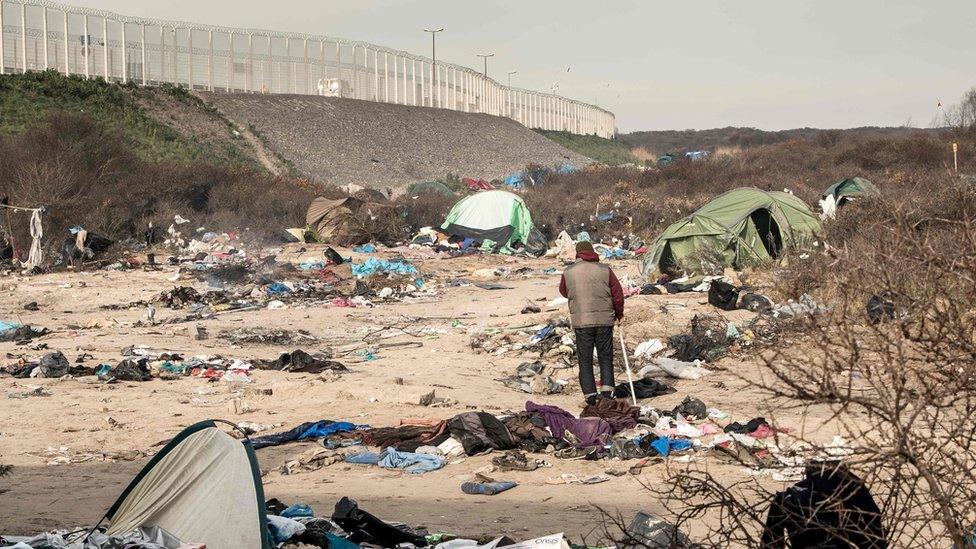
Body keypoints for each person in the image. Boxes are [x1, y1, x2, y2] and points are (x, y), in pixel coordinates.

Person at [558, 241, 625, 405]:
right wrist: (619, 314)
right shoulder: (605, 269)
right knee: (605, 357)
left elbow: (563, 291)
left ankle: (590, 395)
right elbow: (617, 293)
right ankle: (607, 393)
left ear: (578, 253)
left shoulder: (569, 272)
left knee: (585, 359)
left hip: (582, 322)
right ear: (592, 252)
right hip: (604, 321)